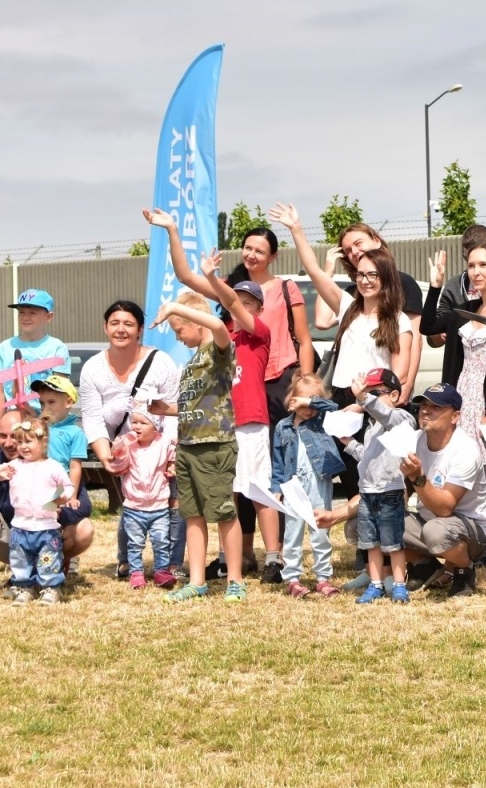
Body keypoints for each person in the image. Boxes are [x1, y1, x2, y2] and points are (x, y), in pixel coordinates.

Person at [147, 209, 283, 582]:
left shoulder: (257, 334)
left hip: (250, 421)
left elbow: (234, 305)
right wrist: (173, 230)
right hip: (220, 426)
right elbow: (184, 277)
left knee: (257, 489)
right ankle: (230, 559)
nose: (238, 305)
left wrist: (211, 278)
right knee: (226, 495)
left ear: (258, 307)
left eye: (247, 302)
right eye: (235, 300)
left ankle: (274, 557)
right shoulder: (218, 335)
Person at [422, 241, 486, 591]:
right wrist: (436, 285)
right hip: (460, 403)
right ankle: (456, 563)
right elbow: (427, 326)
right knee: (462, 486)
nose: (476, 272)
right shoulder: (465, 309)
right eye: (471, 266)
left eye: (483, 265)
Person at [151, 291, 247, 603]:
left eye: (180, 329)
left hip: (215, 445)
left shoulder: (218, 351)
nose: (178, 337)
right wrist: (166, 410)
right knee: (192, 515)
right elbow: (196, 405)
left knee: (222, 512)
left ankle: (234, 580)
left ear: (195, 322)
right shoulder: (192, 361)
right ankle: (196, 581)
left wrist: (176, 307)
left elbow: (219, 326)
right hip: (188, 445)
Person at [76, 301, 182, 578]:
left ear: (140, 330)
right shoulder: (93, 369)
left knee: (172, 503)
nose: (120, 329)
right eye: (114, 323)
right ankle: (127, 561)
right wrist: (105, 455)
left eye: (128, 324)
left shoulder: (161, 362)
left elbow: (174, 411)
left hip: (162, 448)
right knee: (132, 504)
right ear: (105, 327)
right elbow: (93, 418)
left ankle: (172, 563)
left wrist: (171, 454)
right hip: (125, 453)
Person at [0, 408, 95, 599]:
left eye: (16, 437)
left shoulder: (51, 463)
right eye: (3, 436)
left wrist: (53, 509)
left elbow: (81, 501)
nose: (10, 443)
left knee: (84, 528)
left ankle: (49, 576)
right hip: (16, 537)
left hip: (47, 534)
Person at [400, 383, 486, 598]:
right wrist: (336, 515)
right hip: (429, 522)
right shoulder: (414, 441)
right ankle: (425, 565)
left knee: (436, 532)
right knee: (375, 519)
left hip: (472, 530)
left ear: (455, 417)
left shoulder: (466, 450)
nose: (425, 410)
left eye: (436, 407)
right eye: (423, 405)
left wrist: (417, 477)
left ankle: (464, 570)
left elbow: (445, 508)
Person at [309, 222, 425, 397]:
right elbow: (322, 321)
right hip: (348, 389)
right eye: (347, 250)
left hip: (383, 392)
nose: (354, 252)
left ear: (376, 241)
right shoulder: (352, 293)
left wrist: (405, 387)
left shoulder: (403, 284)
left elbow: (415, 339)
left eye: (358, 243)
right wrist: (328, 273)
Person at [336, 369, 413, 602]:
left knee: (394, 542)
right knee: (371, 543)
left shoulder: (402, 418)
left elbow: (387, 416)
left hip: (390, 491)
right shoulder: (371, 428)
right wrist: (349, 444)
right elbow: (366, 458)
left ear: (395, 396)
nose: (370, 399)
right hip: (368, 492)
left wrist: (362, 399)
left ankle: (399, 584)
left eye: (376, 393)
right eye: (368, 393)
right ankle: (376, 583)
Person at [270, 373, 345, 599]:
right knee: (292, 532)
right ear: (292, 400)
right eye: (303, 401)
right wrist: (276, 487)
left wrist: (310, 401)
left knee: (320, 529)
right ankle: (292, 577)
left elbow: (333, 406)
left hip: (319, 480)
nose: (308, 408)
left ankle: (323, 577)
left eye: (313, 401)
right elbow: (278, 460)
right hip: (293, 484)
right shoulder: (283, 427)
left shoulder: (322, 421)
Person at [0, 416, 74, 605]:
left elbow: (68, 486)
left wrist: (64, 496)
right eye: (20, 442)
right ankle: (24, 588)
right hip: (21, 526)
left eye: (28, 441)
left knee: (48, 559)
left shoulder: (52, 466)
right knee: (20, 560)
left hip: (46, 526)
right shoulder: (15, 466)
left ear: (43, 442)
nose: (23, 446)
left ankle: (50, 588)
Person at [0, 289, 70, 446]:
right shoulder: (5, 347)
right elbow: (0, 393)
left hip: (45, 422)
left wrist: (44, 422)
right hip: (13, 420)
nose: (25, 317)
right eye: (22, 312)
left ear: (49, 317)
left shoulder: (57, 348)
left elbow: (60, 393)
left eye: (32, 312)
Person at [107, 403, 177, 589]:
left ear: (155, 427)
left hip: (159, 506)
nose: (136, 426)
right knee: (135, 543)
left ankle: (162, 570)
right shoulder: (129, 444)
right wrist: (119, 449)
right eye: (134, 422)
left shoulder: (164, 442)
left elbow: (173, 454)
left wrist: (172, 465)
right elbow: (117, 466)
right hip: (134, 507)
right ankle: (136, 572)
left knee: (161, 541)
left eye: (143, 423)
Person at [31, 373, 93, 572]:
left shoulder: (75, 433)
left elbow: (75, 466)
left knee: (77, 510)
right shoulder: (40, 428)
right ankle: (37, 559)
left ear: (68, 402)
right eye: (42, 403)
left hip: (63, 484)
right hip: (42, 483)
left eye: (51, 401)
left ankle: (62, 556)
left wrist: (71, 494)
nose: (45, 407)